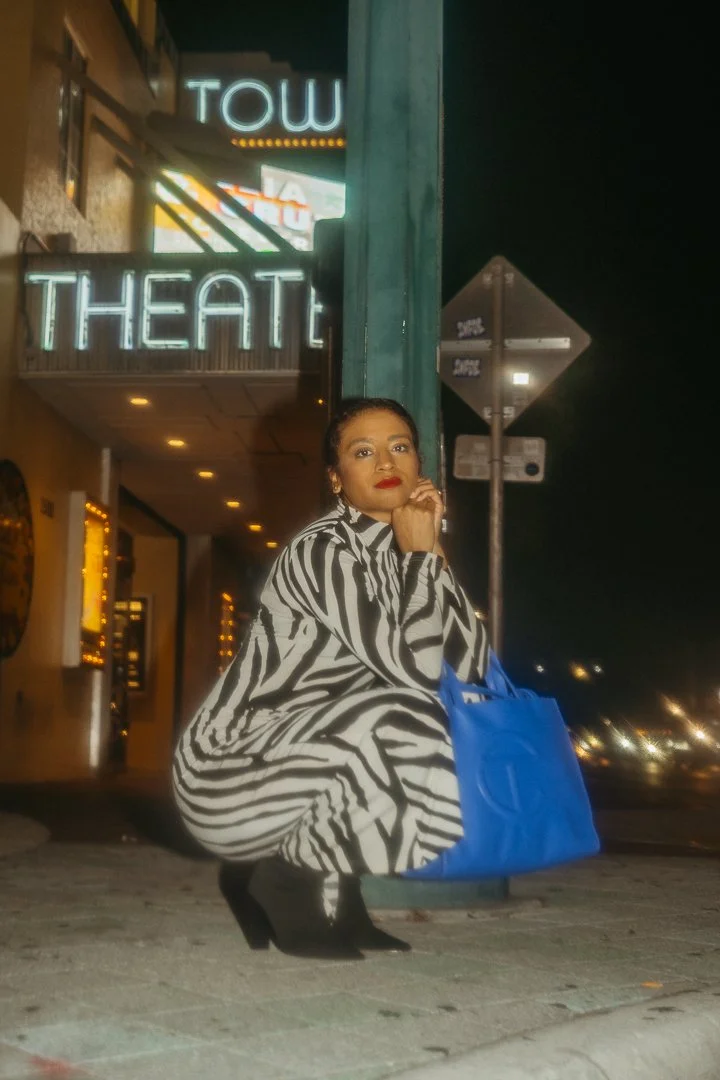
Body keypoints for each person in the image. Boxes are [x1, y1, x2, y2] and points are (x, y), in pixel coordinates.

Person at [173, 398, 488, 960]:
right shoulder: (322, 549)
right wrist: (420, 561)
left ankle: (339, 900)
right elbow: (416, 675)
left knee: (399, 717)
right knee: (404, 714)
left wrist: (432, 555)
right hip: (229, 767)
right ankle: (281, 881)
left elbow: (471, 667)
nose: (385, 461)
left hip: (305, 757)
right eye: (362, 452)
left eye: (399, 447)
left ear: (419, 465)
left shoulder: (403, 551)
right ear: (337, 480)